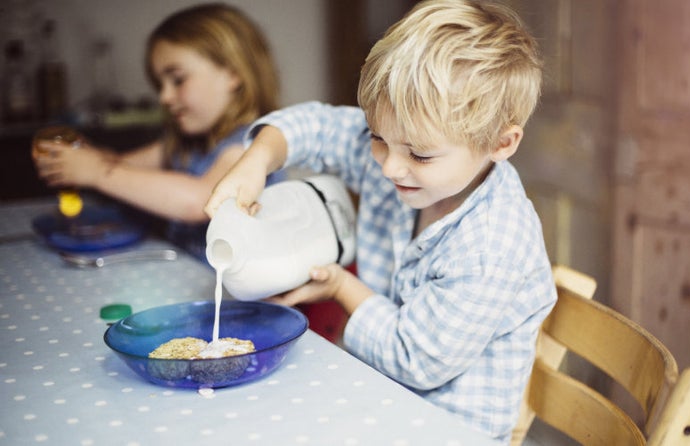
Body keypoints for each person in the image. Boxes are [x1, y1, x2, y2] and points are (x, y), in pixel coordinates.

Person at [205, 0, 557, 442]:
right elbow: (315, 126)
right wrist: (256, 158)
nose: (389, 166)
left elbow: (415, 359)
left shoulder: (494, 242)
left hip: (439, 430)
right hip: (371, 399)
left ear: (501, 143)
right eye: (376, 137)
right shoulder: (404, 148)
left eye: (420, 154)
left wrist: (340, 286)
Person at [32, 3, 283, 259]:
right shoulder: (183, 144)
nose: (164, 96)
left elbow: (197, 201)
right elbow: (123, 165)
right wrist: (85, 157)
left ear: (233, 74)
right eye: (159, 84)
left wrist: (98, 171)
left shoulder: (251, 145)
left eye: (177, 79)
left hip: (229, 292)